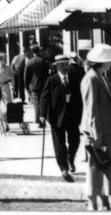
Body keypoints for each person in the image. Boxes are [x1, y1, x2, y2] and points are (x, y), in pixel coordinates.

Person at [80, 44, 111, 210]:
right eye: (109, 60)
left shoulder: (101, 77)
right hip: (98, 131)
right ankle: (93, 204)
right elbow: (91, 109)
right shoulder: (91, 78)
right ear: (103, 62)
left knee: (104, 168)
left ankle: (105, 203)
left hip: (106, 130)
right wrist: (96, 135)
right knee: (96, 168)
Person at [40, 53, 83, 181]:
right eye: (62, 65)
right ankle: (63, 168)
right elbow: (44, 99)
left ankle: (70, 159)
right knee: (59, 144)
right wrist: (42, 115)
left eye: (66, 64)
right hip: (56, 116)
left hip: (73, 115)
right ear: (57, 67)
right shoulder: (51, 80)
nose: (65, 67)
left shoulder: (75, 78)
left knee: (75, 140)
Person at [24, 44, 50, 128]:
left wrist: (27, 87)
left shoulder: (29, 62)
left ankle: (38, 120)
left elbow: (26, 76)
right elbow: (47, 73)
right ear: (39, 51)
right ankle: (43, 120)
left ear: (32, 52)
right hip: (43, 84)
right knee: (43, 102)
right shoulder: (43, 61)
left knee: (36, 103)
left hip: (33, 85)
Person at [0, 52, 15, 132]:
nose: (6, 60)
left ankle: (5, 121)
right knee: (2, 106)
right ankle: (4, 122)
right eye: (4, 59)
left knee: (8, 105)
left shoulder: (8, 67)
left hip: (7, 88)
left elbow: (12, 77)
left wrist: (14, 87)